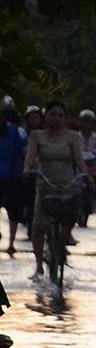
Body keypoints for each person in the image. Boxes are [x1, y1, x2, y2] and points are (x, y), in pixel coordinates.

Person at [23, 101, 87, 278]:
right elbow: (30, 157)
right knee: (39, 226)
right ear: (46, 116)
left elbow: (79, 159)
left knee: (72, 215)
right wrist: (27, 169)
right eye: (53, 114)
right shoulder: (37, 135)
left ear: (65, 118)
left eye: (60, 115)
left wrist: (86, 174)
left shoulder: (72, 137)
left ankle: (64, 239)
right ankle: (38, 266)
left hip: (68, 183)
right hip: (46, 184)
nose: (56, 118)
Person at [0, 105, 25, 257]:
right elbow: (24, 151)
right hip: (13, 175)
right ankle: (11, 244)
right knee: (13, 212)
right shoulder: (18, 132)